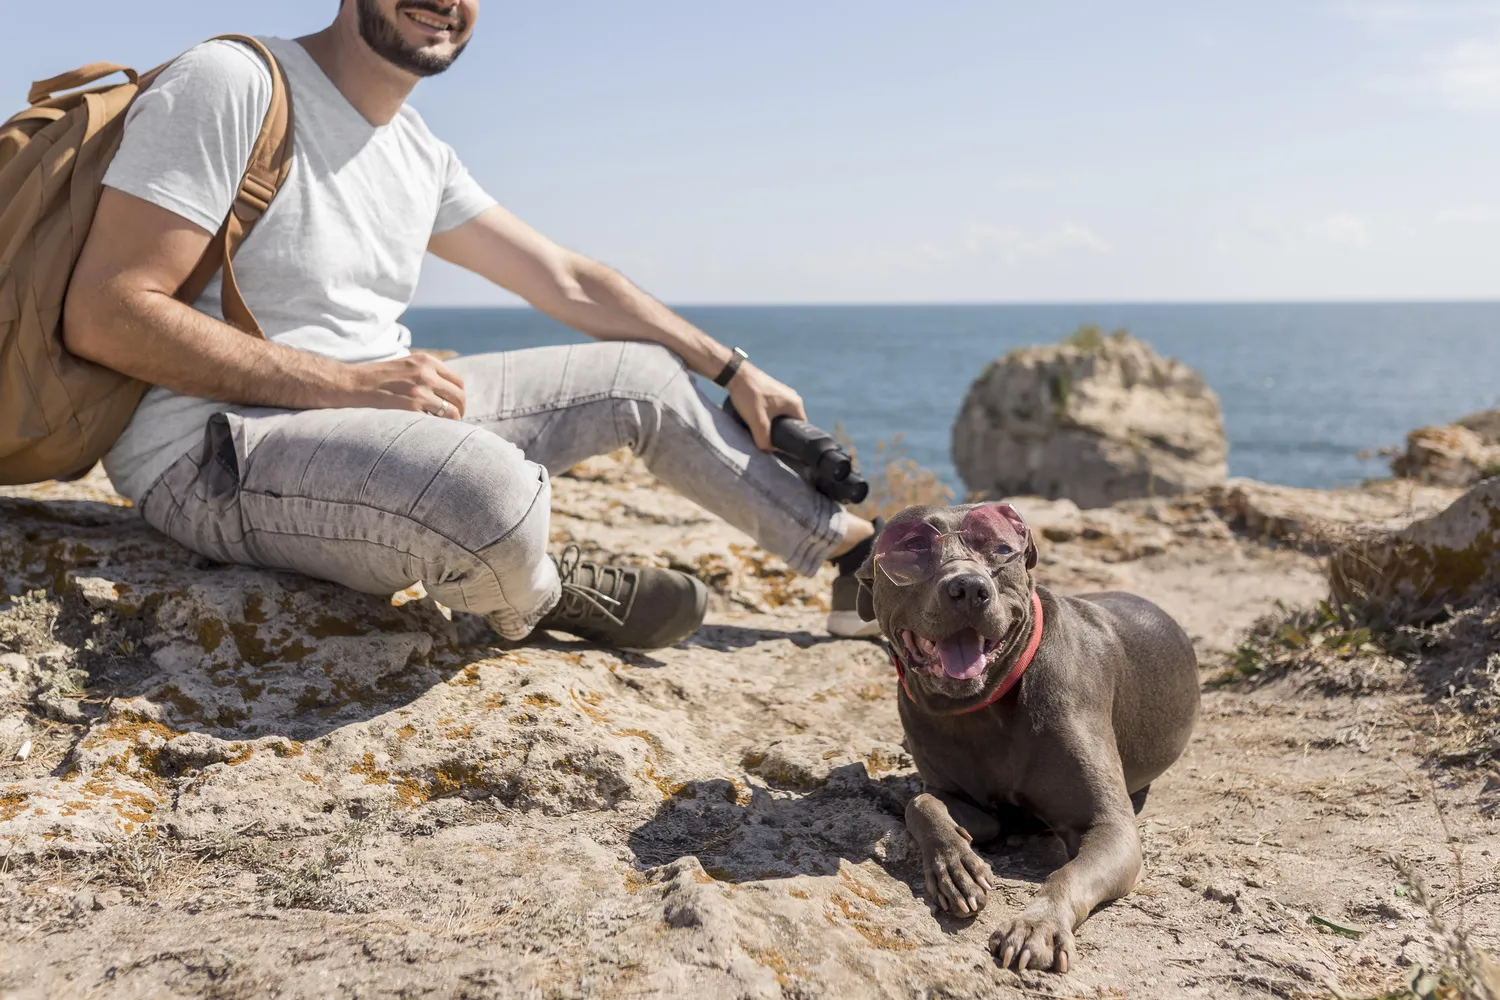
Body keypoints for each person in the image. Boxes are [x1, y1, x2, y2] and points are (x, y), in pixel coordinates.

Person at [62, 0, 879, 652]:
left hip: (375, 420)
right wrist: (345, 384)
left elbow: (566, 279)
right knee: (488, 494)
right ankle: (546, 589)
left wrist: (733, 370)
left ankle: (853, 554)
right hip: (214, 456)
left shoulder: (417, 149)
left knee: (645, 374)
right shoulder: (233, 81)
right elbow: (107, 311)